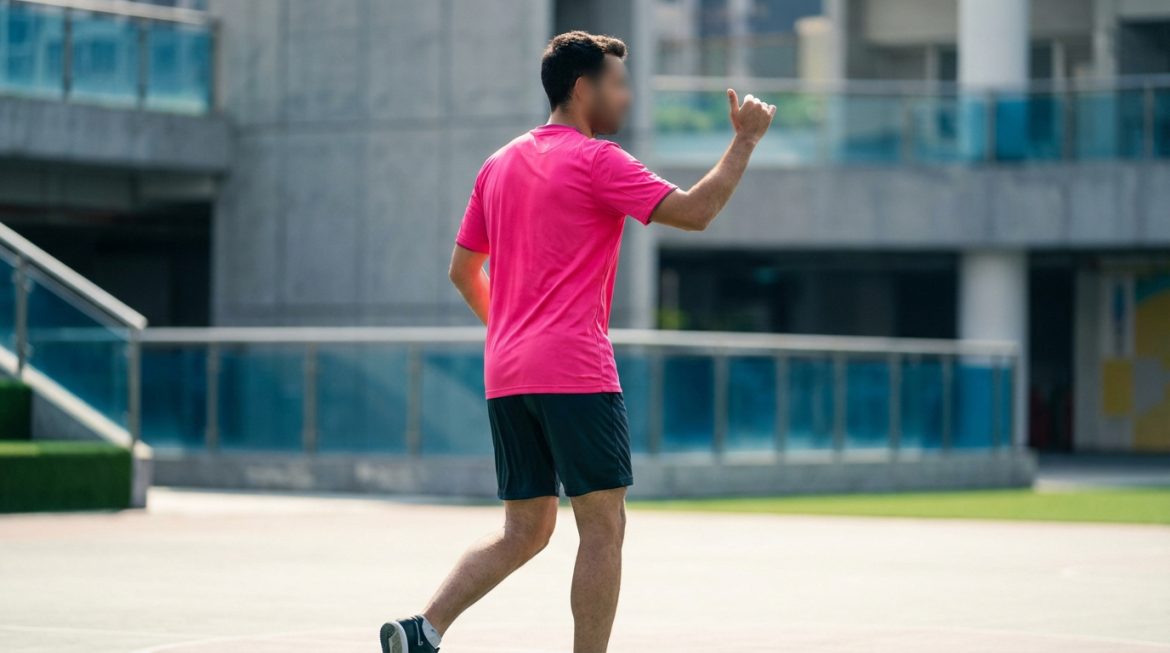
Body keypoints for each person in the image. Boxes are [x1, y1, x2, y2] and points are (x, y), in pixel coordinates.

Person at [381, 30, 775, 653]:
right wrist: (745, 140)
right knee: (603, 527)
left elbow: (462, 271)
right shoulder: (599, 160)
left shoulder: (498, 163)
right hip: (574, 371)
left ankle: (421, 629)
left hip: (507, 372)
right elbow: (697, 212)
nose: (627, 95)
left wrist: (513, 332)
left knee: (525, 529)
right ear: (583, 88)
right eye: (618, 83)